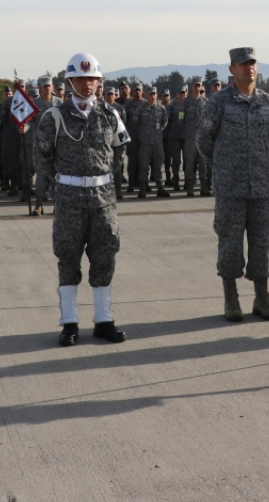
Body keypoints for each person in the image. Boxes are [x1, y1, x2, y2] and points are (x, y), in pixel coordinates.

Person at [34, 52, 129, 347]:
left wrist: (101, 181)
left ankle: (103, 320)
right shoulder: (55, 117)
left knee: (104, 258)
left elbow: (119, 153)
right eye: (80, 79)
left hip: (103, 201)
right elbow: (42, 158)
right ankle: (69, 323)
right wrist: (62, 184)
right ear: (70, 81)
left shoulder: (111, 115)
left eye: (92, 79)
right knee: (68, 258)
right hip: (70, 199)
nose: (87, 84)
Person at [197, 47, 269, 321]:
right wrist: (223, 167)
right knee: (230, 243)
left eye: (253, 63)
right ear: (232, 69)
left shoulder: (268, 102)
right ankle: (231, 300)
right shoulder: (218, 102)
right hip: (230, 188)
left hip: (261, 187)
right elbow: (204, 142)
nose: (249, 67)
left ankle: (262, 297)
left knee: (261, 243)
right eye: (243, 63)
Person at [131, 85, 170, 198]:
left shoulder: (161, 108)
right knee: (143, 166)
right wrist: (142, 134)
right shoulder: (141, 109)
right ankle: (142, 189)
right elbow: (135, 123)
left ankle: (160, 188)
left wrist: (158, 132)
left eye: (154, 94)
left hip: (158, 143)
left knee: (158, 166)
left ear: (156, 95)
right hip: (144, 143)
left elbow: (165, 121)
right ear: (146, 95)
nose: (153, 96)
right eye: (150, 94)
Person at [181, 78, 211, 197]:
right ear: (191, 86)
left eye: (199, 86)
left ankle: (204, 187)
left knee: (203, 163)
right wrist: (186, 132)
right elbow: (180, 118)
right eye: (195, 85)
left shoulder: (206, 102)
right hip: (190, 138)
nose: (197, 88)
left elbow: (210, 118)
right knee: (189, 162)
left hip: (203, 138)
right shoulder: (186, 102)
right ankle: (190, 188)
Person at [104, 86, 127, 199]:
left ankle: (118, 190)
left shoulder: (120, 108)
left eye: (112, 94)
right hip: (104, 142)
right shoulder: (100, 108)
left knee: (117, 166)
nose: (110, 96)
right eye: (108, 94)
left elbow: (124, 124)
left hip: (117, 141)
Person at [164, 87, 186, 189]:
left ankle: (187, 181)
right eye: (180, 93)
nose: (182, 94)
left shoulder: (189, 104)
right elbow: (166, 122)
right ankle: (176, 180)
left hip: (186, 137)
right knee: (176, 160)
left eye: (183, 93)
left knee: (187, 160)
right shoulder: (172, 106)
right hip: (174, 137)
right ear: (176, 94)